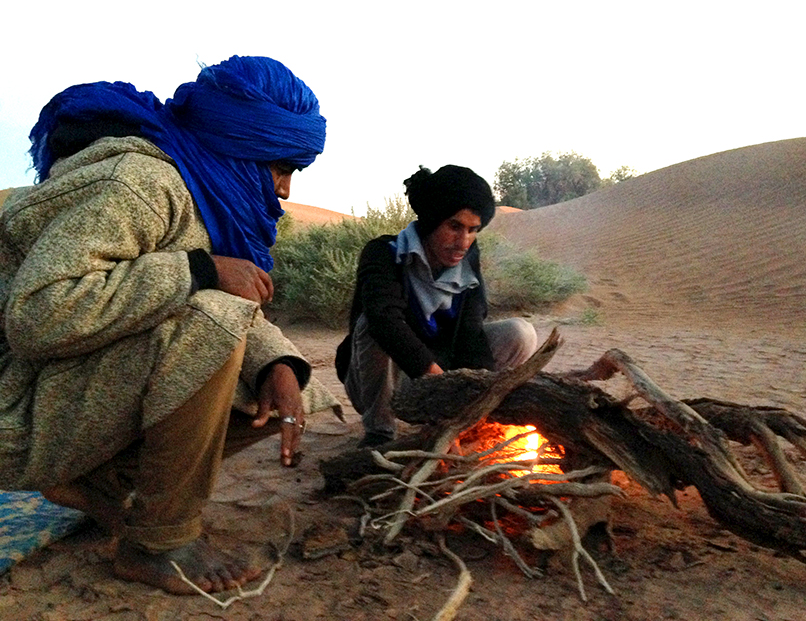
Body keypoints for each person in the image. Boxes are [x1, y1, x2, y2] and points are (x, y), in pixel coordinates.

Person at [0, 56, 339, 594]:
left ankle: (98, 484)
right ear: (240, 147)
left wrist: (278, 363)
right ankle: (158, 543)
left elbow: (212, 303)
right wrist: (198, 270)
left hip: (65, 394)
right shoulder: (140, 184)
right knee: (213, 322)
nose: (285, 191)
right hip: (14, 408)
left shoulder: (204, 194)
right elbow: (38, 313)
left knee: (293, 389)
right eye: (281, 167)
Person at [336, 165, 538, 447]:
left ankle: (468, 419)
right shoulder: (383, 253)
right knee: (372, 325)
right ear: (432, 220)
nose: (463, 242)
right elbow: (385, 320)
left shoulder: (467, 260)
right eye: (454, 227)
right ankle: (380, 432)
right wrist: (439, 383)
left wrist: (477, 397)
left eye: (472, 230)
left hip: (442, 375)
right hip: (383, 382)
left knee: (521, 333)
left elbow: (471, 331)